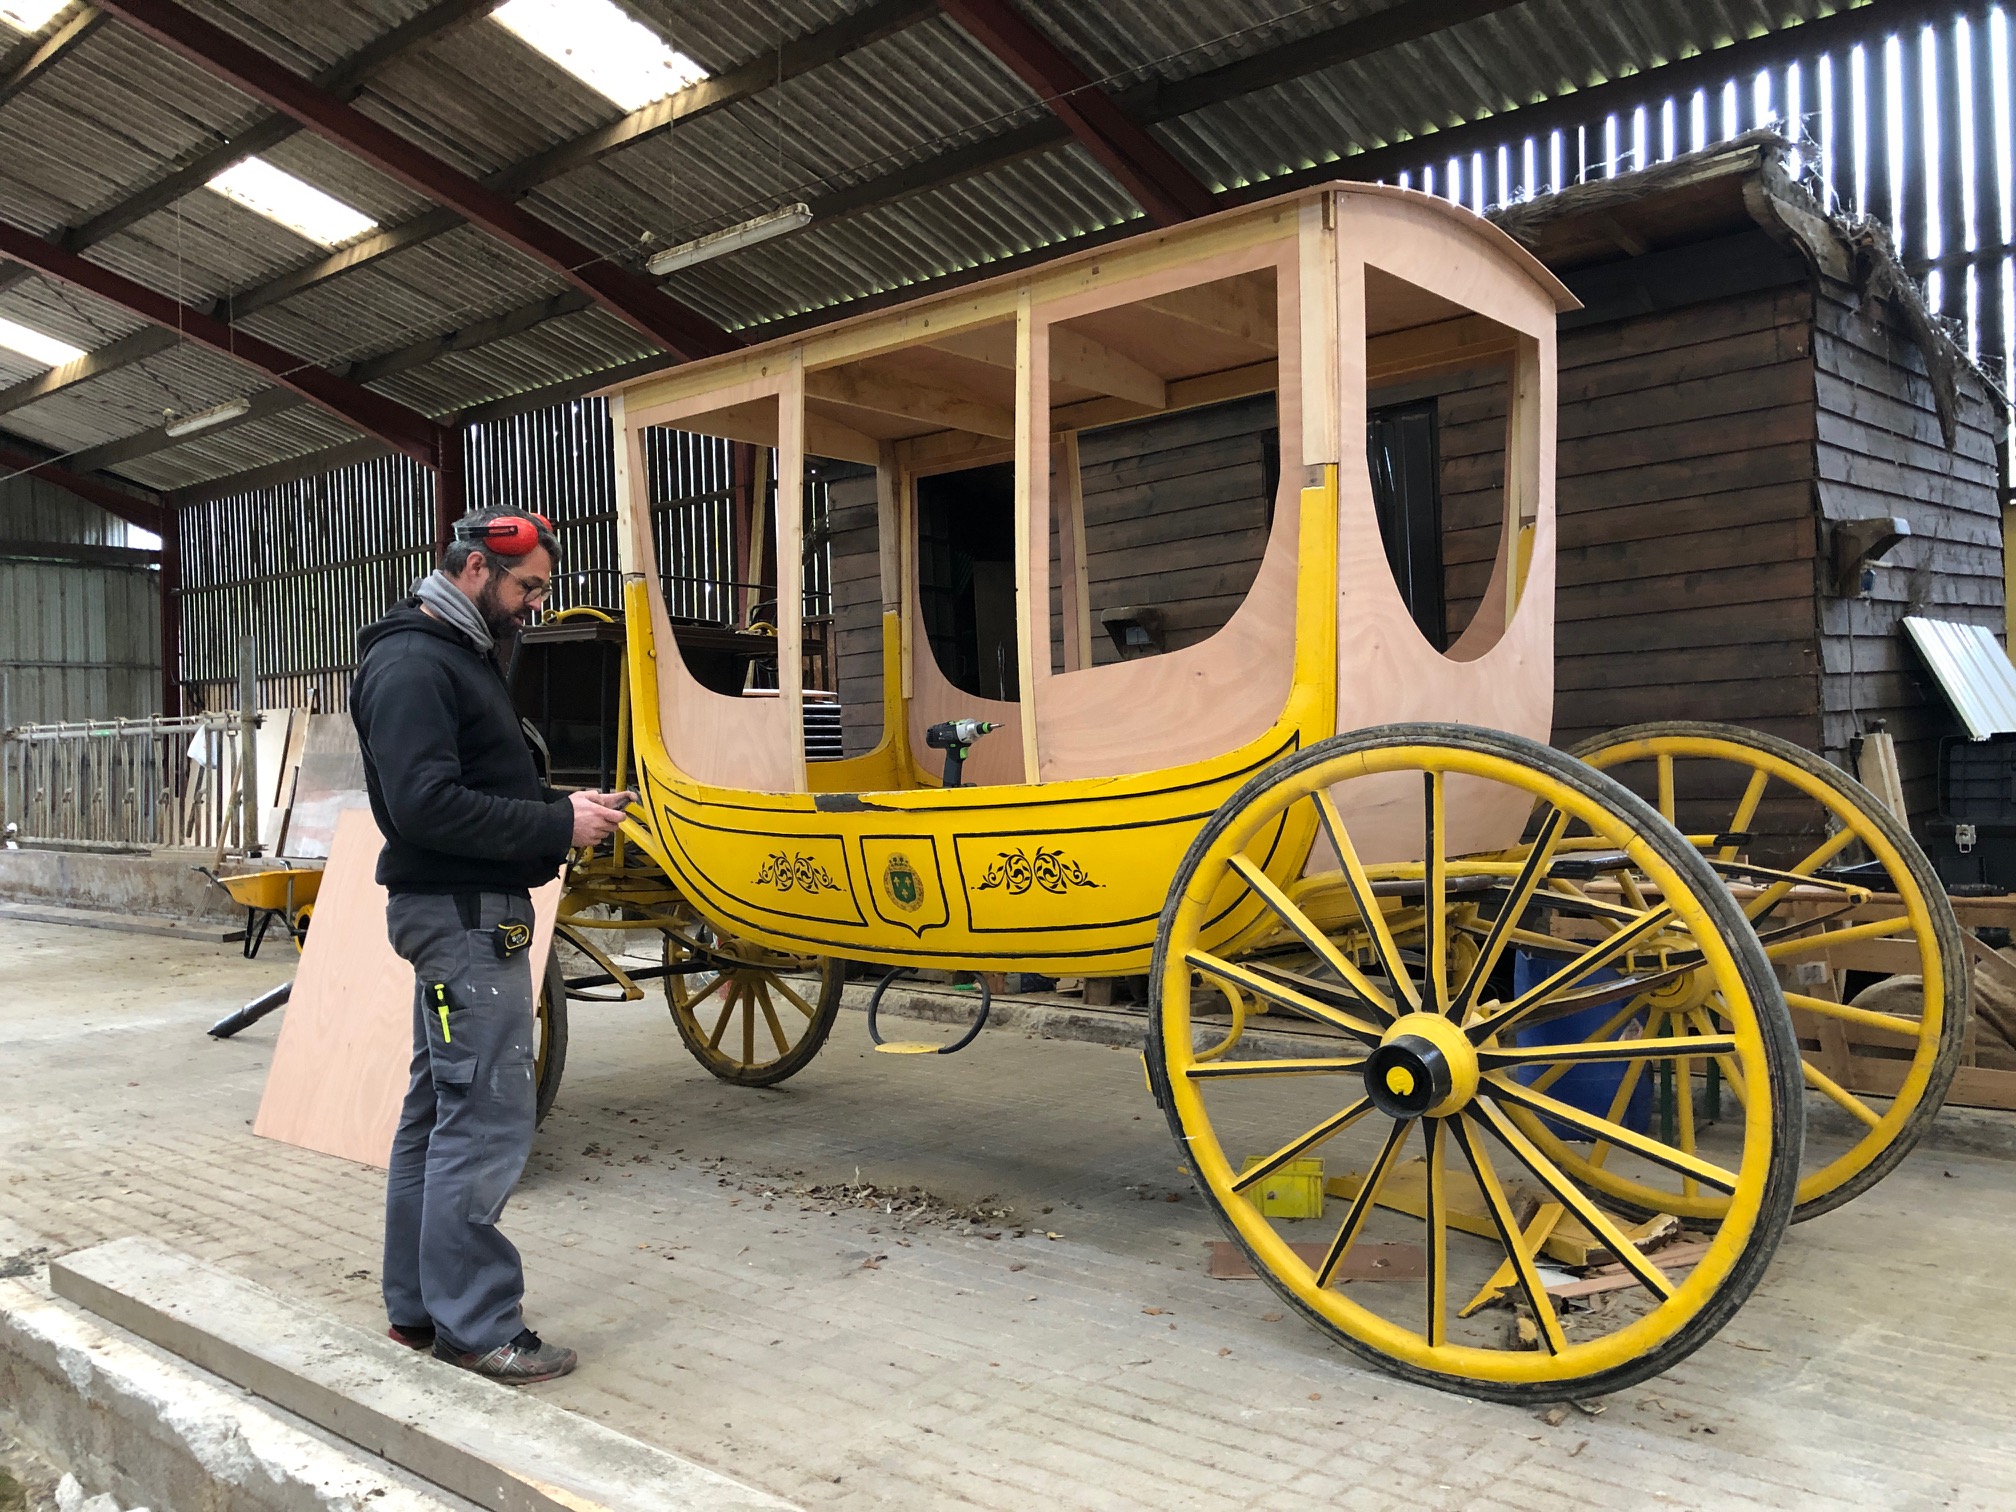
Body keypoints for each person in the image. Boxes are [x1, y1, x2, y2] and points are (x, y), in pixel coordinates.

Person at [350, 505, 630, 1384]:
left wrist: (558, 811)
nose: (535, 605)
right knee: (484, 1119)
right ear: (475, 570)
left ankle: (420, 1311)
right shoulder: (412, 665)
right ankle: (477, 1327)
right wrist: (556, 819)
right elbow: (426, 805)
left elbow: (462, 785)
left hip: (465, 911)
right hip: (465, 920)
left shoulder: (453, 656)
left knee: (440, 1111)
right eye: (527, 587)